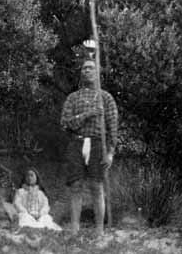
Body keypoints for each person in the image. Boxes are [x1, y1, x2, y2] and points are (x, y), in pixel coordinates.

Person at [60, 59, 118, 234]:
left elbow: (113, 126)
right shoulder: (73, 98)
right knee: (75, 186)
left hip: (97, 143)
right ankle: (75, 229)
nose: (87, 71)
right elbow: (65, 123)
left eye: (91, 68)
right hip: (76, 143)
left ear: (97, 72)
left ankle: (100, 230)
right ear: (81, 73)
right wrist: (88, 114)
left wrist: (110, 153)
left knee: (96, 186)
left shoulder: (106, 97)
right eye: (84, 68)